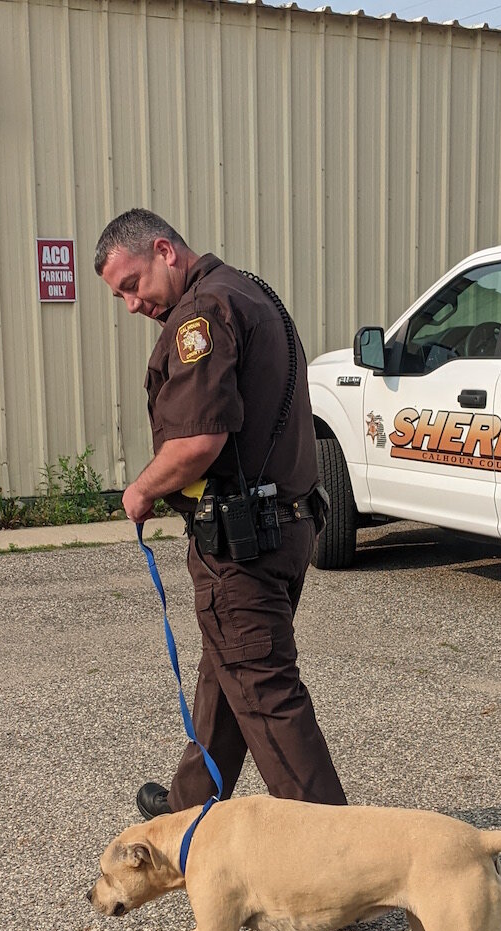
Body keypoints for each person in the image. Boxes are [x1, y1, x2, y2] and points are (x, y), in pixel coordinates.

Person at [94, 209, 347, 819]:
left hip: (242, 546)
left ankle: (341, 861)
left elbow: (195, 443)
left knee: (263, 693)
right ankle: (187, 817)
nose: (131, 304)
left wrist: (141, 491)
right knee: (228, 677)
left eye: (132, 284)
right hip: (284, 526)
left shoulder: (201, 316)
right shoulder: (250, 290)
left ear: (165, 251)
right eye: (120, 295)